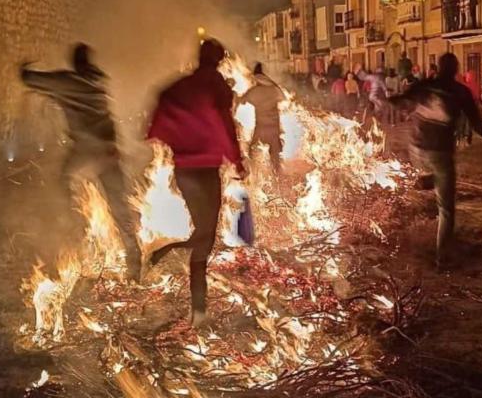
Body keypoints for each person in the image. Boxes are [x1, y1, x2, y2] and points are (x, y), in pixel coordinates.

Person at [20, 43, 142, 283]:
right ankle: (133, 258)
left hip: (86, 150)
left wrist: (25, 68)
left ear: (75, 64)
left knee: (61, 185)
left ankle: (68, 230)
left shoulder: (68, 81)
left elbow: (30, 79)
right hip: (109, 151)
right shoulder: (99, 82)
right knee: (118, 205)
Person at [146, 39, 245, 326]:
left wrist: (164, 133)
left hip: (184, 170)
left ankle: (196, 305)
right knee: (205, 238)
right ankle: (198, 309)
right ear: (218, 60)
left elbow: (162, 99)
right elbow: (224, 124)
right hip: (205, 172)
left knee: (202, 234)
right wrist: (236, 161)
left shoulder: (181, 87)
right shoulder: (216, 87)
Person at [389, 53, 482, 267]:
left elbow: (400, 100)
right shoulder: (460, 92)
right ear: (455, 69)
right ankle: (442, 256)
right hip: (439, 152)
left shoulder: (426, 84)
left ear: (438, 67)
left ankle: (424, 180)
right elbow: (477, 124)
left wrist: (389, 100)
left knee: (437, 175)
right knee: (446, 207)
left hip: (416, 148)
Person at [245, 63, 285, 171]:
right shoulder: (274, 89)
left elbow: (243, 100)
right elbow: (283, 98)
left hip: (261, 128)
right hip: (274, 129)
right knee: (275, 159)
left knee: (252, 152)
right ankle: (277, 180)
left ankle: (251, 175)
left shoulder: (254, 91)